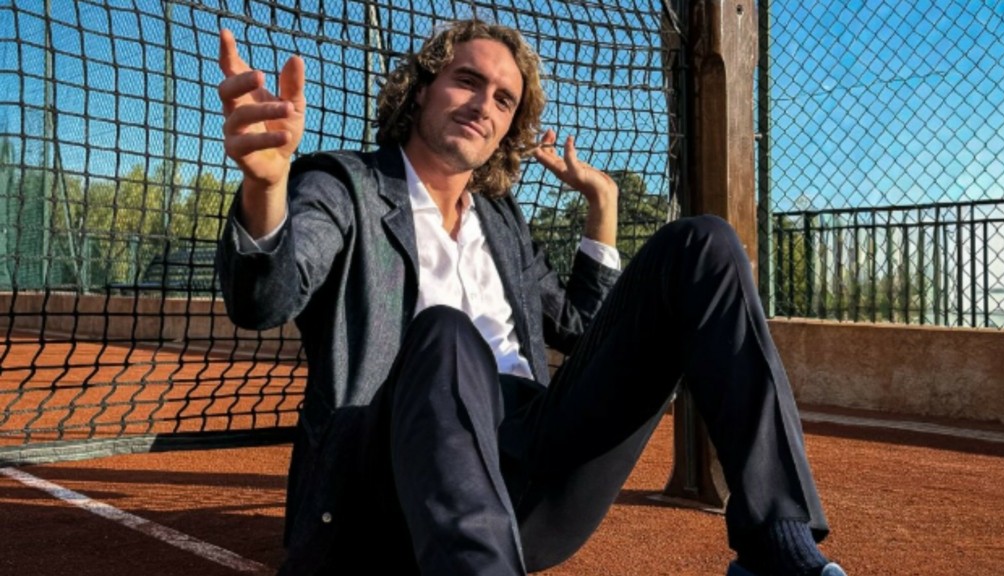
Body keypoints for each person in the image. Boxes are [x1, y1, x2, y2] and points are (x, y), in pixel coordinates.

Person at [215, 18, 847, 576]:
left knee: (702, 244)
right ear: (422, 88)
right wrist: (266, 189)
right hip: (394, 485)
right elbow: (263, 300)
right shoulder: (344, 185)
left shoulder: (501, 222)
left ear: (508, 129)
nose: (482, 105)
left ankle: (776, 547)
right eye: (467, 81)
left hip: (531, 474)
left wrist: (603, 206)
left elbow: (585, 332)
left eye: (504, 100)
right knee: (447, 332)